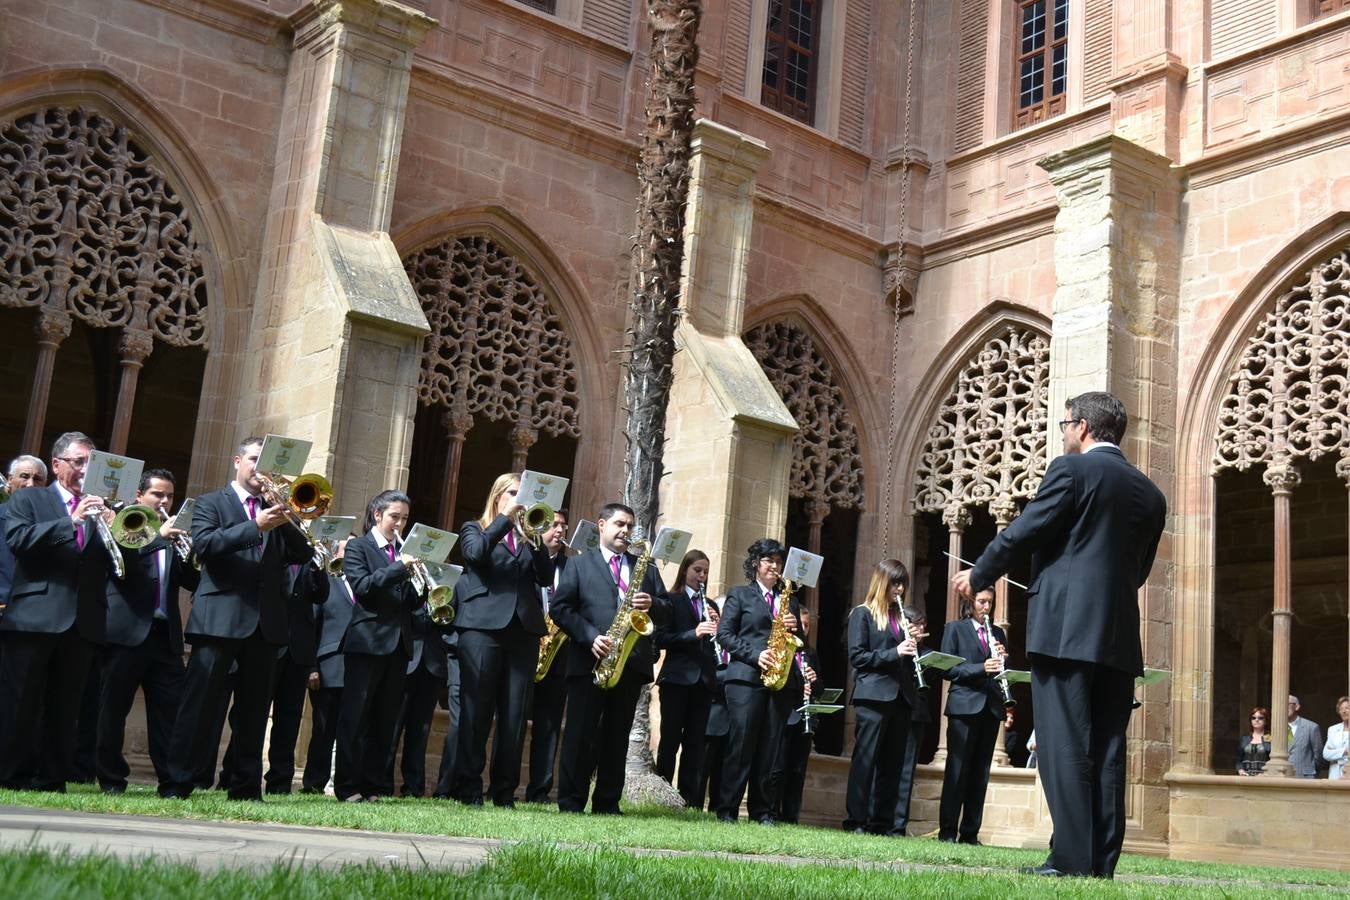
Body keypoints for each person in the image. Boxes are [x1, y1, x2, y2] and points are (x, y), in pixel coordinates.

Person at [952, 391, 1167, 879]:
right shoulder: (1151, 495)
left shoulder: (1071, 471)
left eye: (1066, 423)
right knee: (1109, 750)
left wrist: (980, 572)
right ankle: (1099, 863)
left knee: (1065, 744)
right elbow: (1139, 571)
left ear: (1084, 428)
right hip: (1117, 639)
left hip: (1065, 632)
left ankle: (1071, 861)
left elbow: (1028, 528)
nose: (1064, 432)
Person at [161, 436, 313, 800]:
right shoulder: (212, 503)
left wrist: (288, 517)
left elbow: (303, 553)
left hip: (265, 623)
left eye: (267, 465)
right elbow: (206, 546)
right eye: (254, 460)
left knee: (254, 711)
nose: (260, 471)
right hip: (219, 619)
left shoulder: (275, 509)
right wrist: (256, 526)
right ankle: (177, 782)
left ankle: (245, 787)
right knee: (199, 705)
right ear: (236, 461)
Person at [0, 432, 109, 791]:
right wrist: (72, 521)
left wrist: (115, 527)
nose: (85, 470)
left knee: (66, 708)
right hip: (34, 617)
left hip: (81, 621)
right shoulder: (31, 498)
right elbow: (18, 541)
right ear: (58, 463)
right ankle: (11, 776)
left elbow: (121, 563)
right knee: (20, 704)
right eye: (79, 462)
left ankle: (52, 779)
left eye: (91, 463)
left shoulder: (102, 508)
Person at [549, 502, 668, 814]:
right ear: (601, 525)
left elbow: (670, 611)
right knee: (579, 735)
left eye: (629, 525)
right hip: (589, 661)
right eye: (618, 524)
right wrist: (590, 637)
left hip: (629, 663)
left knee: (617, 737)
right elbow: (560, 609)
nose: (625, 531)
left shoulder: (646, 566)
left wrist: (653, 602)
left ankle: (607, 802)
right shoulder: (578, 565)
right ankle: (571, 802)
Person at [452, 473, 554, 807]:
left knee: (513, 718)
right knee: (476, 711)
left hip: (522, 631)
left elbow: (545, 576)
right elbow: (476, 555)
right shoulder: (475, 527)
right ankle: (468, 788)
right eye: (513, 493)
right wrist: (505, 519)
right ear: (498, 496)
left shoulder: (528, 537)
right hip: (481, 628)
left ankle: (504, 792)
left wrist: (536, 536)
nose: (519, 499)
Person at [96, 469, 198, 794]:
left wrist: (194, 554)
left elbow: (191, 582)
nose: (164, 501)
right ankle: (111, 779)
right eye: (157, 495)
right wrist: (157, 537)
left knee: (171, 711)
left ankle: (173, 781)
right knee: (113, 710)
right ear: (140, 496)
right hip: (126, 633)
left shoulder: (170, 535)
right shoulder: (126, 526)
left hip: (164, 635)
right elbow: (121, 566)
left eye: (169, 495)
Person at [335, 490, 422, 802]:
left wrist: (422, 582)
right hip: (367, 643)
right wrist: (400, 568)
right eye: (394, 517)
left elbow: (410, 603)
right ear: (377, 515)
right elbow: (363, 587)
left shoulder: (401, 552)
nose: (399, 524)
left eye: (404, 519)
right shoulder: (359, 547)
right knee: (355, 718)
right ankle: (347, 787)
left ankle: (373, 786)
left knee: (385, 721)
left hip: (398, 645)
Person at [714, 538, 803, 824]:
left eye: (778, 562)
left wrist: (794, 626)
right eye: (768, 561)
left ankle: (763, 812)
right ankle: (727, 809)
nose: (774, 567)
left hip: (779, 681)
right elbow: (725, 635)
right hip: (746, 679)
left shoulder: (790, 600)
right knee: (741, 746)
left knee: (771, 749)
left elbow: (798, 642)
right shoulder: (739, 595)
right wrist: (756, 655)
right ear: (755, 564)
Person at [842, 559, 918, 834]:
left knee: (892, 764)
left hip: (900, 697)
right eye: (895, 583)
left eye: (903, 584)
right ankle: (855, 821)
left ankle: (882, 822)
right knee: (865, 760)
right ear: (882, 582)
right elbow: (858, 657)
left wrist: (914, 650)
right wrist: (895, 653)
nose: (899, 589)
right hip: (873, 696)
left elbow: (904, 660)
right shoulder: (862, 614)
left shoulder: (902, 619)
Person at [936, 588, 1008, 845]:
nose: (986, 606)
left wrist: (1001, 661)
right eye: (981, 601)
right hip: (964, 707)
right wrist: (981, 667)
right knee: (957, 770)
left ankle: (970, 833)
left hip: (989, 708)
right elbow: (947, 669)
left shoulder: (998, 633)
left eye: (990, 602)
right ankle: (947, 831)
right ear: (970, 602)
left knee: (980, 773)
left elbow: (1000, 673)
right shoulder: (955, 628)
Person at [654, 549, 718, 808]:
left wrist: (718, 627)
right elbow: (661, 639)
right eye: (697, 570)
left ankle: (690, 800)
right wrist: (694, 633)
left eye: (705, 571)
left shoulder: (710, 605)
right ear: (685, 570)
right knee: (669, 740)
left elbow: (717, 645)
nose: (701, 576)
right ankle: (663, 795)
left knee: (695, 743)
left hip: (703, 681)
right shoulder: (672, 600)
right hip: (677, 679)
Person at [300, 537, 356, 794]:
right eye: (347, 549)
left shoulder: (364, 582)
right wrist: (311, 666)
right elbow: (312, 624)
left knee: (351, 731)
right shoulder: (326, 582)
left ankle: (346, 784)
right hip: (328, 666)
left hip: (357, 667)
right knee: (323, 729)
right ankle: (313, 783)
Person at [525, 509, 569, 803]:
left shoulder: (572, 566)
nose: (559, 531)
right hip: (525, 645)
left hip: (558, 655)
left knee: (550, 725)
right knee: (513, 721)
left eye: (563, 526)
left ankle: (539, 791)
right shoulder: (526, 558)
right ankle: (501, 787)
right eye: (553, 525)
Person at [387, 592, 450, 797]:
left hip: (432, 663)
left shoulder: (446, 584)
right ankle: (381, 783)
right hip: (407, 658)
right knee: (392, 726)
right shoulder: (407, 577)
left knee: (420, 730)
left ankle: (413, 787)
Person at [775, 607, 820, 825]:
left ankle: (791, 816)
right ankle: (772, 811)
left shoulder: (810, 653)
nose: (804, 629)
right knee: (779, 765)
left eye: (807, 625)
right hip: (786, 712)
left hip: (805, 716)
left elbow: (820, 688)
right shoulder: (783, 649)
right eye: (801, 624)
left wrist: (814, 679)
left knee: (798, 769)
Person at [894, 605, 932, 835]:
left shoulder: (925, 652)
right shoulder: (896, 646)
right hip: (896, 709)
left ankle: (898, 825)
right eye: (916, 624)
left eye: (923, 625)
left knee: (907, 770)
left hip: (916, 714)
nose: (920, 629)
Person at [0, 455, 48, 607]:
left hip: (35, 612)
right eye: (24, 476)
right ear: (10, 479)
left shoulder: (54, 523)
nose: (30, 484)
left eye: (38, 479)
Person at [697, 594, 730, 812]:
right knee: (702, 767)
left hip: (733, 716)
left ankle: (718, 809)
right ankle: (695, 805)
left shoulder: (735, 641)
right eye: (717, 614)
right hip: (712, 713)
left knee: (723, 769)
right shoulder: (707, 643)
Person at [1286, 694, 1323, 779]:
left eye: (1288, 704)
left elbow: (1318, 756)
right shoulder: (1277, 728)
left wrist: (1310, 771)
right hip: (1283, 777)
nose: (1284, 707)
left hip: (1304, 777)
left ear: (1297, 707)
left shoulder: (1311, 727)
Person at [1236, 706, 1271, 776]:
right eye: (1253, 718)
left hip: (1265, 779)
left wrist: (1266, 773)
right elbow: (1238, 760)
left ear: (1266, 721)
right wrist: (1240, 770)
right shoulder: (1245, 739)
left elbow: (1273, 760)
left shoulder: (1270, 738)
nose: (1256, 720)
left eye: (1260, 718)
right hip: (1246, 778)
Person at [1323, 696, 1350, 780]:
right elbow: (1326, 754)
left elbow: (1331, 753)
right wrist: (1345, 751)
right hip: (1335, 774)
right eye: (1341, 709)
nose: (1344, 711)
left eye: (1347, 708)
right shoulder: (1333, 729)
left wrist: (1334, 752)